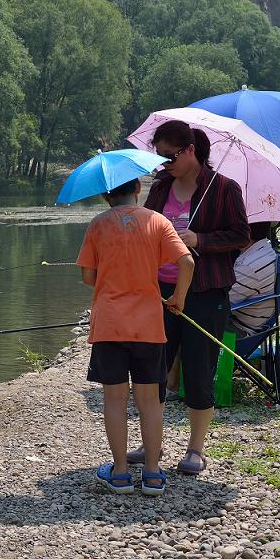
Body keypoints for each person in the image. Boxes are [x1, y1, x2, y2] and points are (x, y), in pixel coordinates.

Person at [137, 119, 250, 476]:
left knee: (199, 370)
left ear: (190, 150)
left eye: (170, 157)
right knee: (152, 369)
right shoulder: (159, 188)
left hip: (205, 292)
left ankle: (196, 449)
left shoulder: (224, 189)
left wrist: (199, 240)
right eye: (160, 158)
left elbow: (240, 234)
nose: (164, 164)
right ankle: (150, 442)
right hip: (159, 292)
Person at [76, 176, 194, 496]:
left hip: (110, 324)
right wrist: (178, 298)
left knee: (114, 400)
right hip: (148, 325)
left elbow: (88, 276)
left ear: (105, 195)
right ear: (138, 189)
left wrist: (110, 281)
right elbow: (187, 261)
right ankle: (154, 474)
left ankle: (120, 473)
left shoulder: (98, 225)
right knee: (149, 402)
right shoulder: (157, 221)